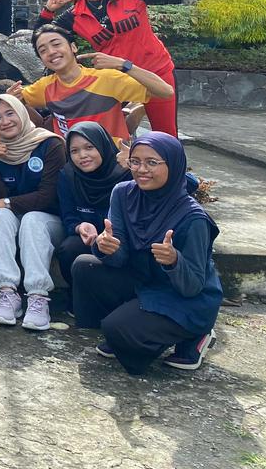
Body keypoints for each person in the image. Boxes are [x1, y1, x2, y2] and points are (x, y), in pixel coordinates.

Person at [73, 134, 222, 374]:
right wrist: (106, 247)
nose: (141, 170)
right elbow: (120, 258)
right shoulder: (123, 194)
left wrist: (174, 260)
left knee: (117, 329)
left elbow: (193, 286)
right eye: (135, 161)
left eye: (152, 162)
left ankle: (195, 334)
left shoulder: (193, 218)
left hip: (184, 297)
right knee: (85, 266)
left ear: (173, 165)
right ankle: (134, 332)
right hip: (145, 280)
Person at [38, 0, 188, 136]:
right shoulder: (74, 15)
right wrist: (48, 11)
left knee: (166, 135)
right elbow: (40, 38)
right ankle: (129, 129)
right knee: (104, 131)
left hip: (156, 72)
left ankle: (137, 118)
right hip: (115, 80)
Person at [0, 93, 67, 331]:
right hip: (13, 217)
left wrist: (6, 202)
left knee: (31, 219)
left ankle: (38, 295)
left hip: (49, 220)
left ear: (22, 113)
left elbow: (48, 197)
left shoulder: (50, 144)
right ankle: (7, 292)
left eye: (10, 113)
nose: (5, 121)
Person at [15, 24, 174, 142]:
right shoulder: (45, 87)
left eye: (56, 44)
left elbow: (166, 92)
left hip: (113, 161)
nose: (51, 52)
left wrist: (124, 65)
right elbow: (15, 101)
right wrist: (10, 97)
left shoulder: (106, 79)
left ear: (73, 47)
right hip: (74, 162)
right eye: (43, 50)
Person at [56, 122, 131, 289]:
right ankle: (75, 296)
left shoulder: (125, 172)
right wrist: (79, 227)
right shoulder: (68, 175)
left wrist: (136, 164)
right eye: (74, 151)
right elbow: (68, 216)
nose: (82, 155)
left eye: (89, 147)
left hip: (122, 238)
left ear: (102, 144)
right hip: (90, 238)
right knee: (69, 249)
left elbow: (180, 185)